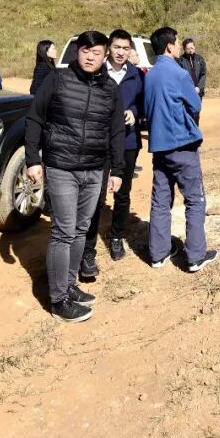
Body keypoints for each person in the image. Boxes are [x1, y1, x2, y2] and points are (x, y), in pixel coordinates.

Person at [24, 30, 125, 323]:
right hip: (61, 167)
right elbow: (35, 117)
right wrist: (33, 159)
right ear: (77, 52)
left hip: (94, 169)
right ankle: (58, 300)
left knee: (81, 229)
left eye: (96, 52)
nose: (90, 57)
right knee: (64, 231)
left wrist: (117, 170)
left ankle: (69, 285)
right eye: (85, 51)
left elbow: (116, 130)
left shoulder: (110, 88)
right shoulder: (58, 79)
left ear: (105, 55)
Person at [145, 27, 218, 272]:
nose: (179, 47)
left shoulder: (150, 75)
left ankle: (158, 254)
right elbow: (196, 105)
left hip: (159, 148)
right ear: (169, 46)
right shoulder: (179, 74)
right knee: (195, 200)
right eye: (176, 43)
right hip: (182, 146)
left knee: (160, 200)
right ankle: (196, 256)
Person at [81, 29, 145, 269]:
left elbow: (142, 104)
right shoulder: (97, 72)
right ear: (109, 48)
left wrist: (134, 112)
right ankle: (88, 248)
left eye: (125, 48)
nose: (121, 52)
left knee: (123, 194)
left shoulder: (137, 75)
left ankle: (116, 236)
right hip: (98, 143)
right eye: (117, 47)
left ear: (130, 51)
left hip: (127, 142)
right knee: (95, 197)